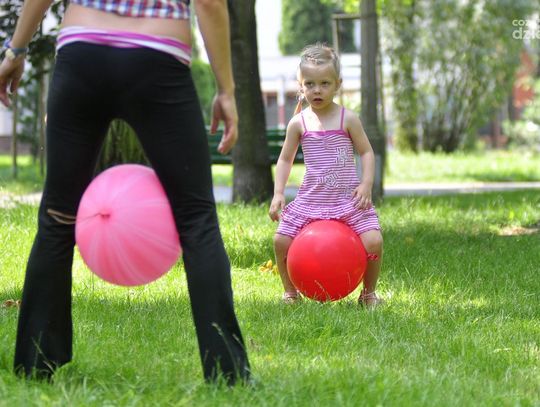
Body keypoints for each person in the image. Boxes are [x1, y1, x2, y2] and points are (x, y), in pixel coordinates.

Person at [0, 0, 250, 385]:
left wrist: (15, 50)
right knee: (197, 219)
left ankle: (35, 366)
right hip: (156, 55)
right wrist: (226, 90)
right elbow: (209, 3)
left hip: (82, 52)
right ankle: (228, 374)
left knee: (57, 217)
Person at [269, 43, 384, 307]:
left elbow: (366, 152)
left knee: (374, 241)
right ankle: (290, 292)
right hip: (311, 202)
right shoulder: (298, 123)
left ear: (337, 84)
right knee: (280, 241)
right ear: (301, 86)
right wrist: (278, 193)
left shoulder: (348, 119)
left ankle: (368, 294)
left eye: (324, 83)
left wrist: (366, 184)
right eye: (309, 84)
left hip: (347, 201)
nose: (317, 90)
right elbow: (285, 159)